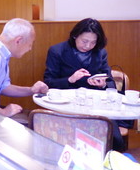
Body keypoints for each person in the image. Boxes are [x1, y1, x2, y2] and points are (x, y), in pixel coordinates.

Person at [44, 18, 131, 151]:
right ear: (75, 36)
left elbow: (109, 81)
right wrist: (70, 79)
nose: (88, 46)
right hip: (67, 106)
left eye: (93, 42)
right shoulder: (57, 51)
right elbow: (48, 82)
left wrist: (102, 84)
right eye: (84, 41)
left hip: (96, 107)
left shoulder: (100, 52)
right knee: (71, 140)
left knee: (115, 140)